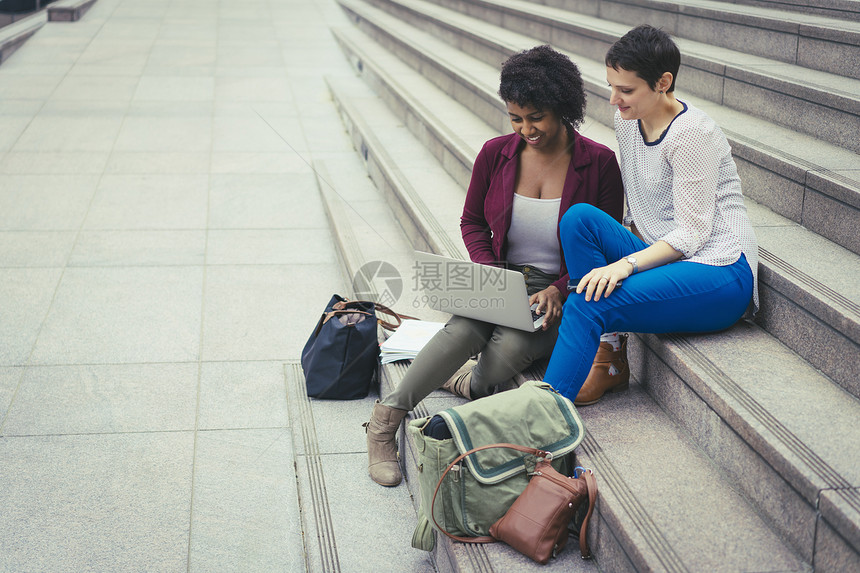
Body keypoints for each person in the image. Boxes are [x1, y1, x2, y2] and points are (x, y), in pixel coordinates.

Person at [364, 45, 625, 487]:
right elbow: (471, 222)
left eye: (535, 117)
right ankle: (384, 422)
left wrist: (560, 288)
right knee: (464, 329)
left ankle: (462, 380)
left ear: (563, 107)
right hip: (502, 275)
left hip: (563, 292)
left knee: (499, 360)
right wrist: (490, 271)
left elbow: (604, 245)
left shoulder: (598, 162)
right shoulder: (496, 154)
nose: (527, 129)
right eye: (516, 118)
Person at [542, 25, 759, 405]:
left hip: (720, 269)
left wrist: (624, 265)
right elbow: (645, 204)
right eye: (612, 86)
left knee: (586, 302)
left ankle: (541, 413)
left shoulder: (692, 133)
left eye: (626, 90)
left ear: (663, 82)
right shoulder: (629, 121)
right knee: (578, 219)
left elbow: (692, 234)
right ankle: (608, 354)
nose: (614, 100)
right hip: (667, 253)